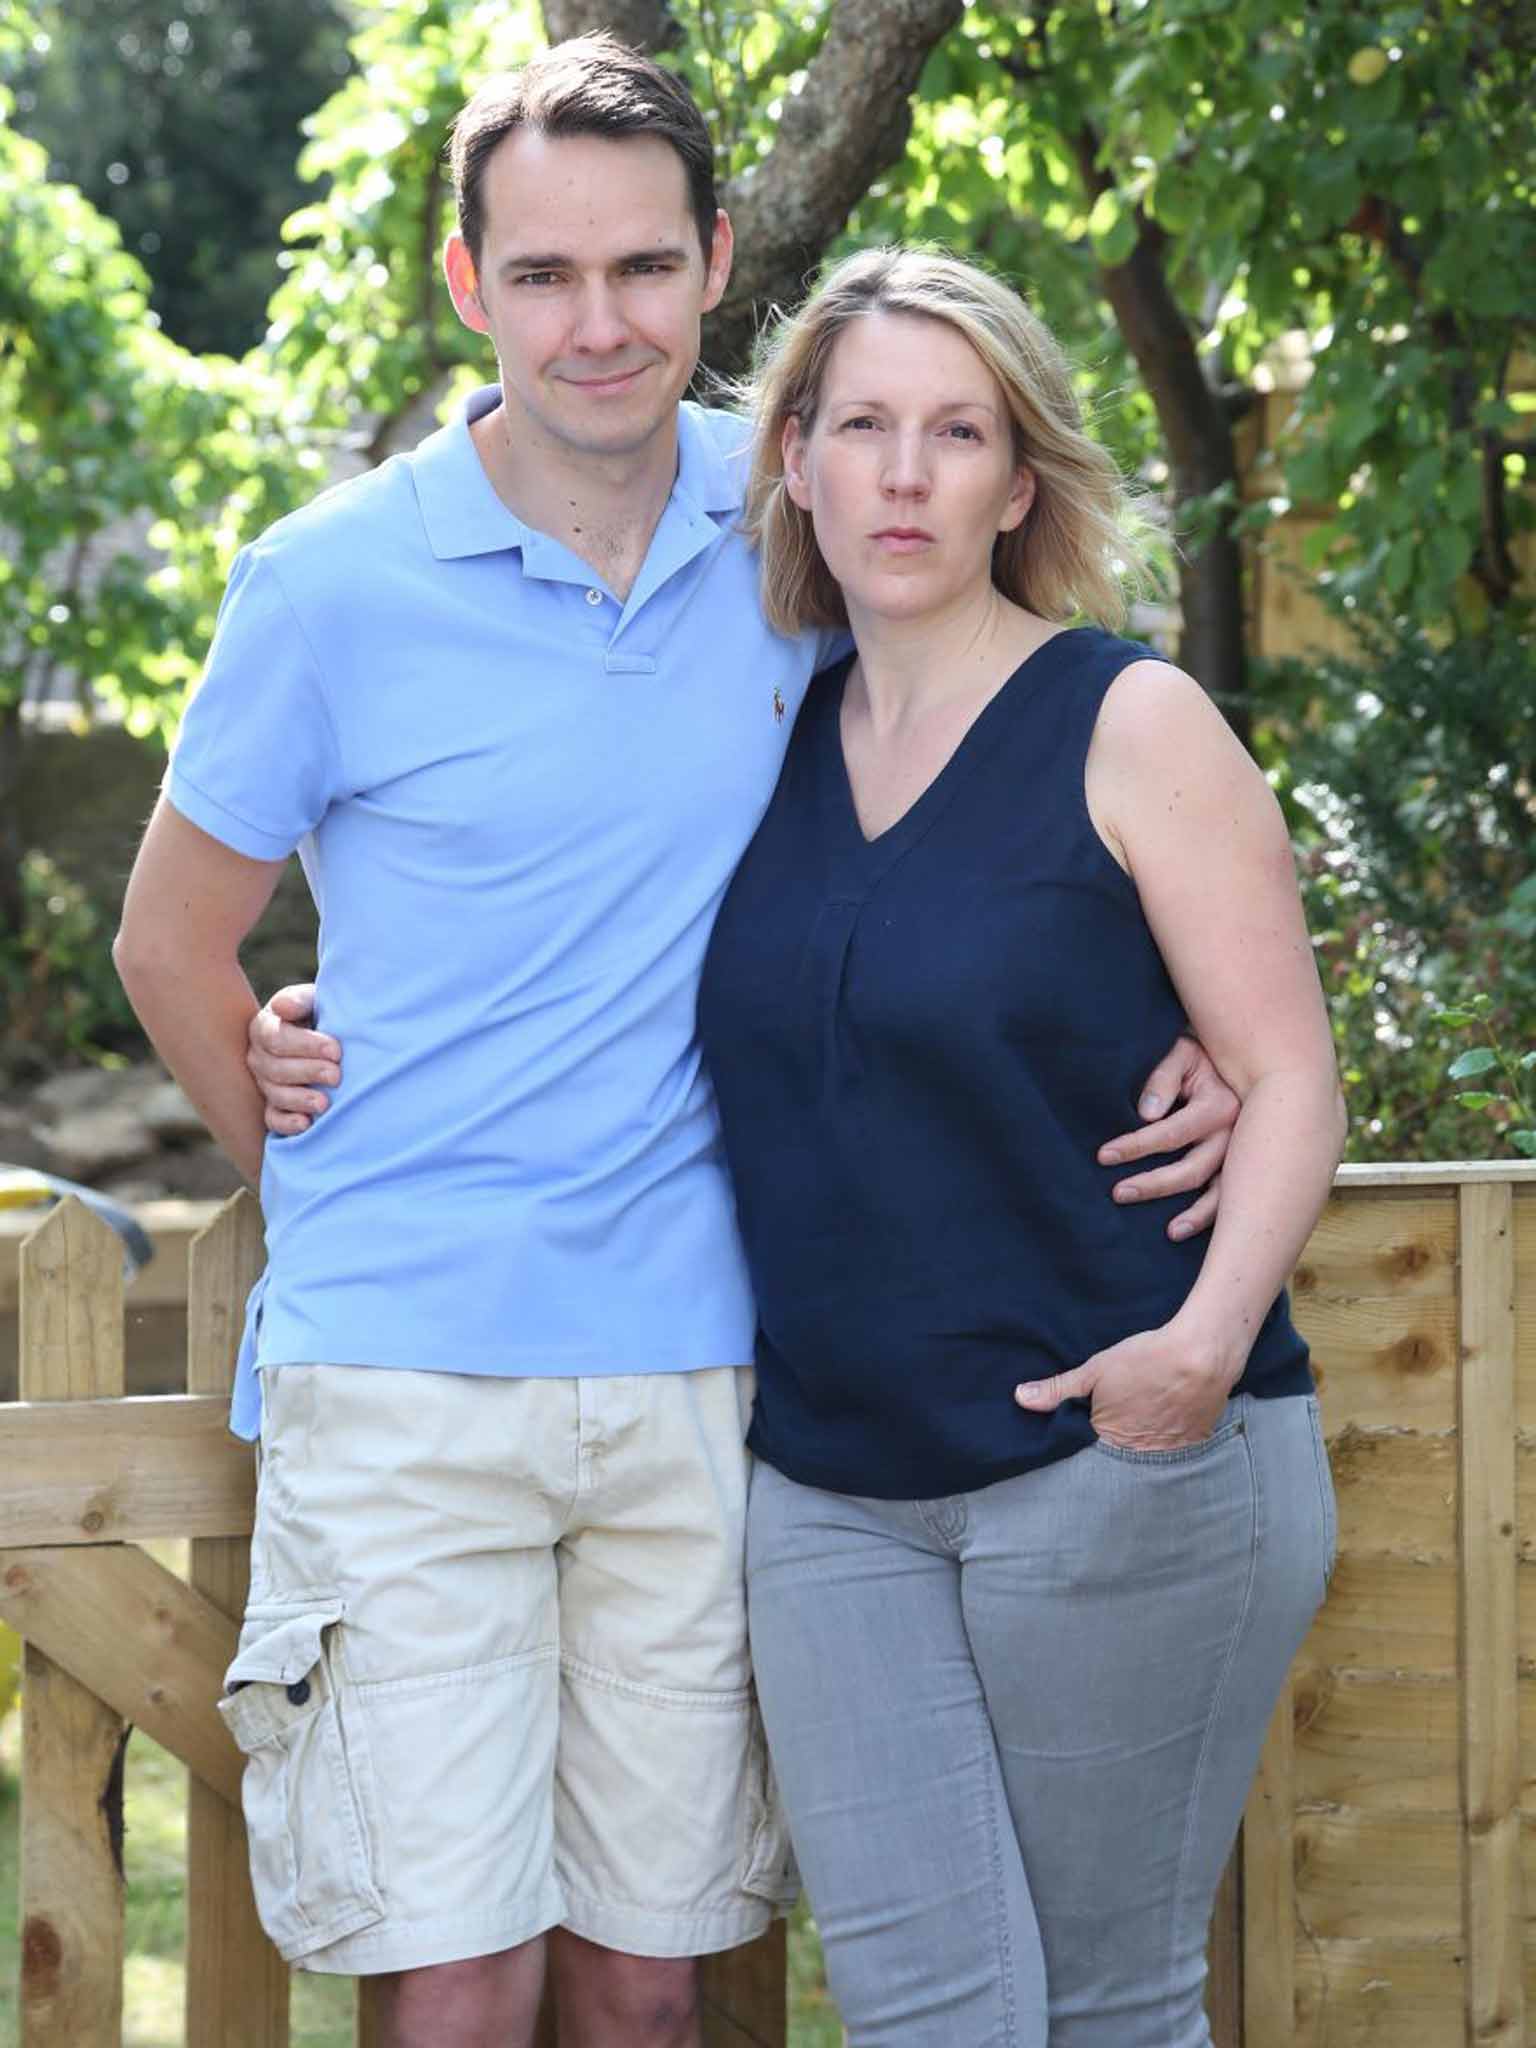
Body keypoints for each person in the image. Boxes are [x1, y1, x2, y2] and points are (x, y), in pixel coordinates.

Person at [117, 37, 1237, 2048]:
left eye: (641, 267)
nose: (598, 322)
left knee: (649, 1983)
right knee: (455, 1984)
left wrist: (1226, 1040)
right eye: (543, 275)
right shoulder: (325, 584)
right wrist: (319, 1155)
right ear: (469, 286)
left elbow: (1043, 752)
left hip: (708, 1362)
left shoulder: (806, 523)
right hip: (406, 1366)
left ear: (718, 261)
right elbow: (170, 940)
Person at [689, 246, 1346, 2047]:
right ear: (797, 462)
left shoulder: (1126, 720)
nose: (905, 476)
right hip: (832, 1495)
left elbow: (1291, 1077)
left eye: (956, 432)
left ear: (1017, 479)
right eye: (865, 427)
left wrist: (1196, 1356)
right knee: (925, 2015)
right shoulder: (764, 735)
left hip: (1114, 1454)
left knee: (1110, 2008)